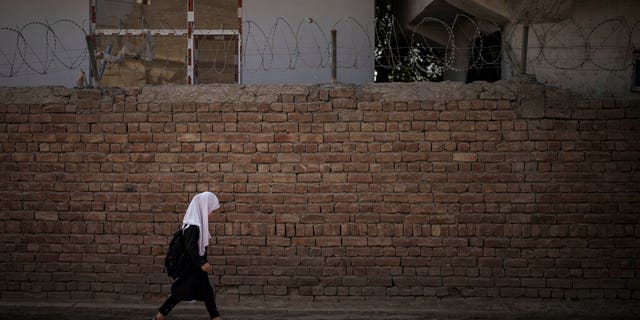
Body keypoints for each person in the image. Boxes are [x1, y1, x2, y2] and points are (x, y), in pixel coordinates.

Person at [153, 192, 222, 320]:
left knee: (207, 294)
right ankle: (159, 316)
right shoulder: (193, 226)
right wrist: (202, 263)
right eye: (211, 209)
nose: (212, 213)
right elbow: (190, 248)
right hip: (191, 268)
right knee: (179, 293)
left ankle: (216, 318)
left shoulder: (197, 224)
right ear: (203, 207)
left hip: (195, 267)